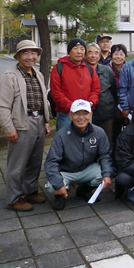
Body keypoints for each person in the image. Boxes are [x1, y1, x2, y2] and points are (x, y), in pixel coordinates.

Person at [0, 40, 51, 212]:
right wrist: (9, 128)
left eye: (33, 53)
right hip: (21, 122)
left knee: (35, 161)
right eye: (26, 53)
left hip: (38, 121)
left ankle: (30, 191)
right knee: (17, 163)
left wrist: (46, 121)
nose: (31, 57)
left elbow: (44, 100)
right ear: (18, 56)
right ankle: (14, 198)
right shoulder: (10, 75)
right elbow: (3, 106)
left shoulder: (38, 74)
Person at [44, 99, 113, 211]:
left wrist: (107, 174)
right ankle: (60, 194)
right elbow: (51, 162)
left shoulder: (99, 132)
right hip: (66, 171)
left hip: (87, 169)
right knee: (53, 186)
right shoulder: (61, 135)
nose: (81, 118)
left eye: (85, 113)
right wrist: (58, 183)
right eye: (77, 114)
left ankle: (83, 190)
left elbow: (105, 155)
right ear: (70, 116)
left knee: (104, 174)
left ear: (91, 115)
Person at [49, 38, 100, 131]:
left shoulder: (89, 69)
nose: (79, 52)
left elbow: (96, 89)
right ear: (69, 51)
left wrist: (90, 102)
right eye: (75, 49)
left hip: (86, 114)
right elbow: (56, 92)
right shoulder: (59, 68)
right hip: (66, 114)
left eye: (82, 49)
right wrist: (72, 106)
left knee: (85, 142)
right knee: (65, 142)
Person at [85, 43, 117, 143]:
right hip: (86, 113)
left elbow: (114, 90)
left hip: (106, 113)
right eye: (90, 52)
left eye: (96, 53)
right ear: (85, 55)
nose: (93, 56)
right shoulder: (81, 70)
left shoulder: (107, 70)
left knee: (106, 141)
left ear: (99, 56)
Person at [108, 43, 128, 152]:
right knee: (113, 134)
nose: (118, 56)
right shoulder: (107, 69)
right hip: (111, 107)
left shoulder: (130, 68)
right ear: (111, 55)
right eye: (116, 54)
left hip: (126, 107)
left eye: (121, 54)